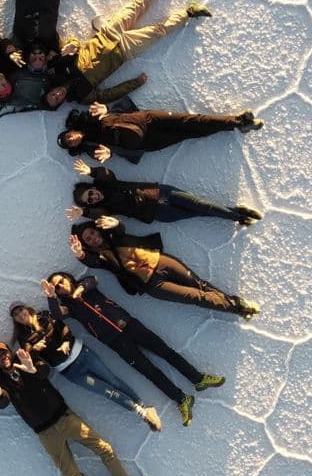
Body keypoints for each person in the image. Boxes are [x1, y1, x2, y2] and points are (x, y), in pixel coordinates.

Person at [0, 345, 155, 476]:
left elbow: (44, 371)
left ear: (10, 351)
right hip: (45, 433)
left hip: (65, 418)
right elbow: (2, 402)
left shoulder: (27, 359)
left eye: (4, 352)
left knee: (103, 449)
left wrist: (32, 369)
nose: (2, 357)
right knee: (71, 475)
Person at [45, 273, 225, 426]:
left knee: (166, 352)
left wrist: (81, 289)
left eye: (61, 281)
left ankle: (198, 379)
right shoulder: (69, 308)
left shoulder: (86, 284)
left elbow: (93, 279)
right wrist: (51, 297)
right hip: (114, 341)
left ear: (68, 278)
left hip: (129, 324)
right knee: (149, 371)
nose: (60, 286)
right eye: (56, 287)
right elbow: (57, 314)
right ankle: (181, 399)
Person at [44, 0, 212, 107]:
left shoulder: (59, 68)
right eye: (57, 99)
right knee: (157, 32)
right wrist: (135, 83)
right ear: (61, 102)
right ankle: (189, 12)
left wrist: (72, 45)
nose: (58, 94)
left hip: (107, 34)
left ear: (52, 89)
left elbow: (73, 44)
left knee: (136, 6)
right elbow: (107, 95)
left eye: (53, 94)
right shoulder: (82, 97)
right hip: (124, 52)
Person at [8, 301, 161, 430]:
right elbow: (30, 356)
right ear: (15, 320)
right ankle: (141, 413)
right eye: (16, 315)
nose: (20, 315)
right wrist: (34, 349)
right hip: (70, 371)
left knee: (113, 380)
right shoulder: (23, 337)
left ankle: (145, 407)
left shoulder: (44, 316)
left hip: (83, 354)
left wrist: (67, 341)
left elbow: (63, 327)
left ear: (26, 309)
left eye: (21, 310)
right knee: (106, 390)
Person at [70, 220, 259, 318]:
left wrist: (115, 223)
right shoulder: (102, 257)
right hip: (153, 284)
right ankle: (236, 307)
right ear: (87, 245)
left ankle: (236, 306)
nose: (93, 238)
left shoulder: (114, 235)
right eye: (88, 239)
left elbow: (119, 228)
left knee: (201, 285)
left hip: (162, 262)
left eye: (92, 233)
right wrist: (81, 255)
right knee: (195, 296)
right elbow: (92, 262)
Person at [67, 162, 262, 226]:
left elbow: (105, 173)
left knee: (201, 205)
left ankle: (238, 216)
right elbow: (99, 215)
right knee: (198, 212)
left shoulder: (107, 184)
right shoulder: (106, 208)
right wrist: (83, 213)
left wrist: (91, 172)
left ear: (92, 188)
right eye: (89, 201)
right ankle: (235, 212)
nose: (93, 197)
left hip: (160, 192)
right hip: (158, 214)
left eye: (90, 193)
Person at [58, 102, 263, 162]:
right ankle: (235, 125)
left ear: (72, 130)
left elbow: (115, 100)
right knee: (190, 132)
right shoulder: (93, 149)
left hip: (147, 119)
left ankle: (237, 120)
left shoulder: (92, 118)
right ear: (75, 147)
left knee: (190, 120)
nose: (73, 139)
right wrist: (111, 153)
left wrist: (107, 109)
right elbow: (113, 157)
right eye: (72, 143)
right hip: (149, 141)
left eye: (69, 136)